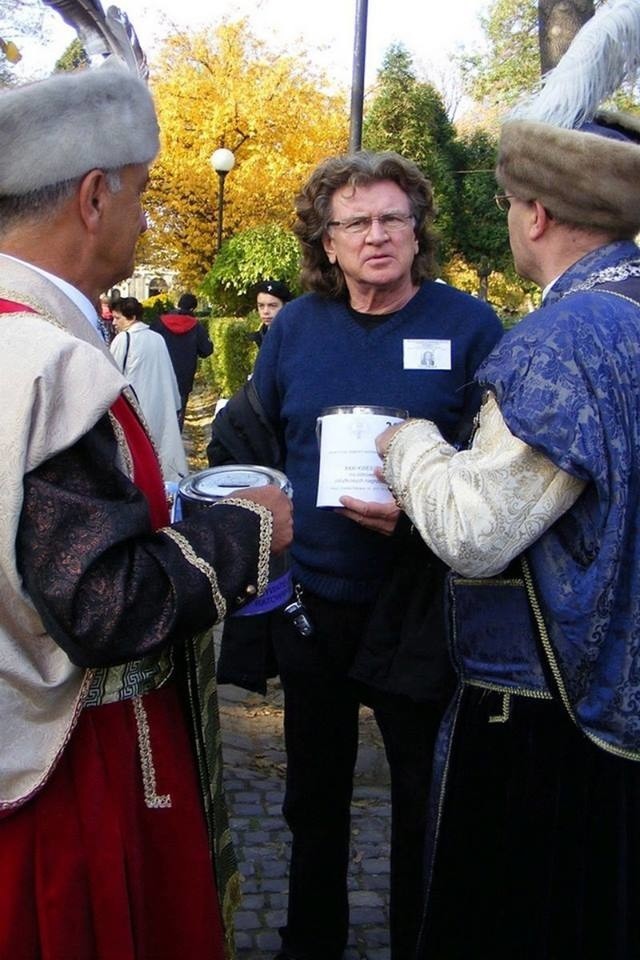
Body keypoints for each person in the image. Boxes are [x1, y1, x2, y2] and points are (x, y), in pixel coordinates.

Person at [0, 62, 293, 960]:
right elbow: (104, 602)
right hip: (69, 780)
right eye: (139, 191)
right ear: (93, 196)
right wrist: (254, 528)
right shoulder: (46, 361)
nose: (144, 214)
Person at [375, 3, 640, 957]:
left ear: (536, 211)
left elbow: (475, 530)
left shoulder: (569, 337)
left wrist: (408, 446)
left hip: (546, 726)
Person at [208, 150, 502, 960]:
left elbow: (499, 474)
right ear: (327, 243)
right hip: (317, 605)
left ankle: (418, 940)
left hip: (420, 603)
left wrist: (421, 515)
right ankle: (311, 944)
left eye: (392, 218)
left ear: (417, 232)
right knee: (313, 796)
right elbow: (251, 438)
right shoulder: (296, 327)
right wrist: (261, 514)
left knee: (421, 795)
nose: (376, 236)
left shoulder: (470, 326)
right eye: (355, 223)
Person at [111, 295, 188, 482]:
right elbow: (169, 372)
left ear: (131, 318)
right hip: (161, 405)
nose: (114, 322)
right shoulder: (157, 338)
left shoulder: (124, 339)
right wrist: (176, 403)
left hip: (135, 408)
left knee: (136, 456)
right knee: (161, 448)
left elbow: (111, 376)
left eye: (117, 318)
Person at [151, 291, 213, 427]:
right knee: (179, 408)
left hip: (161, 372)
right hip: (184, 375)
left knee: (159, 406)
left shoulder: (160, 322)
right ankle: (175, 437)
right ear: (193, 308)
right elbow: (206, 350)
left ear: (178, 304)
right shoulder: (196, 326)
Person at [247, 279, 293, 349]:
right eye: (261, 305)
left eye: (272, 305)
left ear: (286, 306)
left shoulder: (299, 339)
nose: (265, 311)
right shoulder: (252, 342)